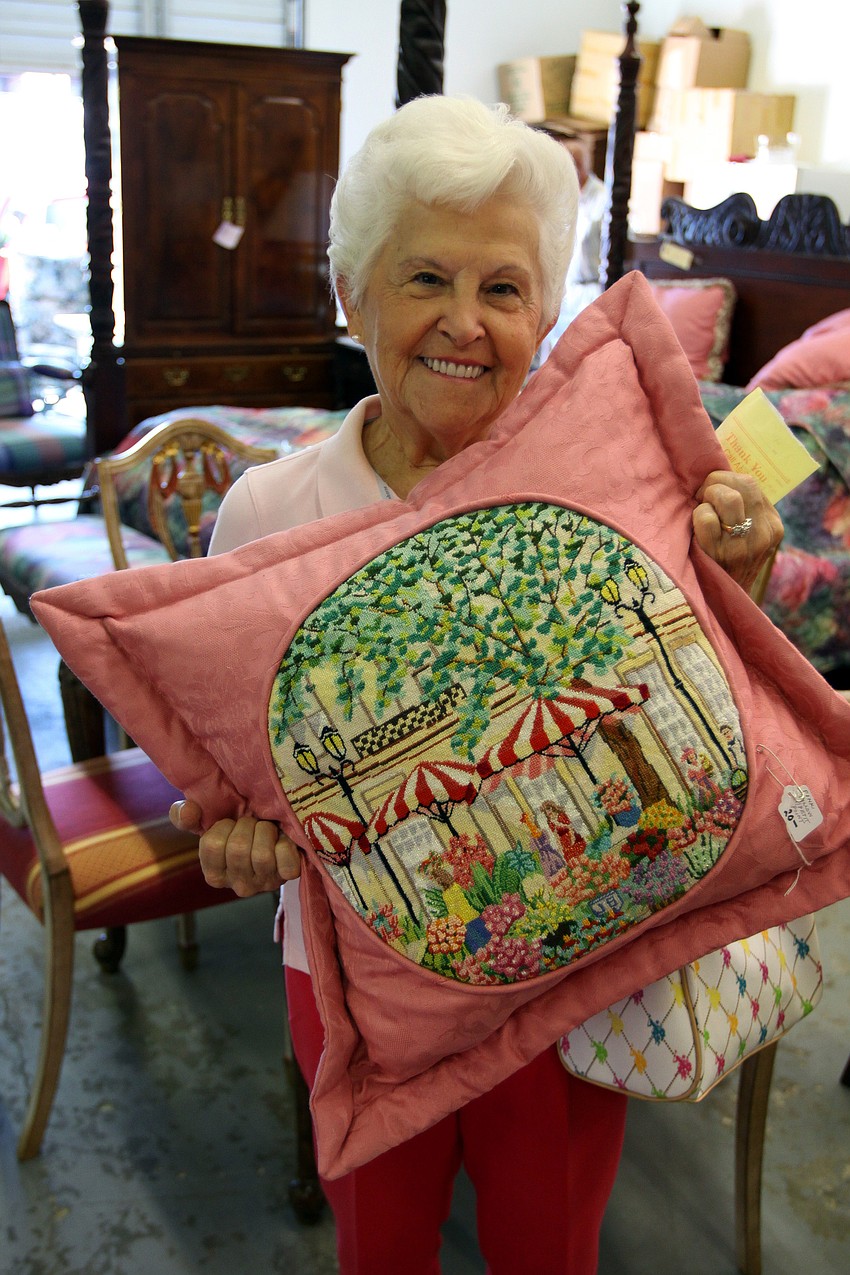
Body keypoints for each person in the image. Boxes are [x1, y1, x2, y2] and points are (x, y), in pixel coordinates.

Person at [170, 95, 783, 1275]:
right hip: (353, 989)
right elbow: (233, 778)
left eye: (503, 287)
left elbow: (703, 719)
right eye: (424, 278)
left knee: (548, 1244)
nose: (464, 323)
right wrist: (234, 840)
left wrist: (733, 585)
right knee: (381, 1247)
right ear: (352, 295)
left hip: (569, 976)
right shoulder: (265, 515)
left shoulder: (606, 500)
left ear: (545, 312)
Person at [536, 132, 608, 365]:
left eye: (574, 163)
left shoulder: (603, 199)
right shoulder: (560, 198)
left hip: (591, 292)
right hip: (565, 292)